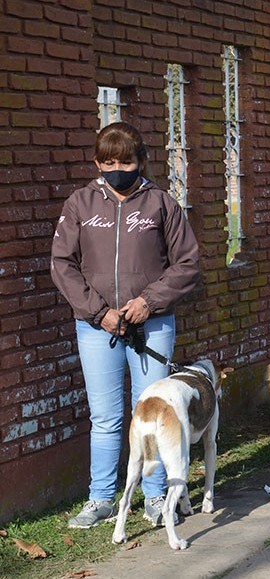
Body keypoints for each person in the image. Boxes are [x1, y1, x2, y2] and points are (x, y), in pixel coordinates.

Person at [51, 122, 201, 528]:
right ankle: (100, 498)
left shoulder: (162, 204)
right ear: (97, 162)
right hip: (98, 328)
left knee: (151, 412)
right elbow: (62, 265)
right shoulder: (80, 204)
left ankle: (154, 497)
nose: (118, 169)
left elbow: (187, 264)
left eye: (127, 161)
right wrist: (100, 313)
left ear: (142, 161)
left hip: (152, 326)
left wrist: (148, 303)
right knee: (105, 417)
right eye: (109, 162)